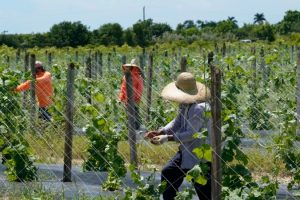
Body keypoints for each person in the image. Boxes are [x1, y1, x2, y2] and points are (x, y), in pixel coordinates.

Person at [144, 72, 211, 200]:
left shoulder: (198, 108)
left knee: (203, 189)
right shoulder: (185, 103)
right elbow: (177, 122)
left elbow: (192, 134)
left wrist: (168, 138)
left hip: (200, 154)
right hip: (186, 150)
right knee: (168, 172)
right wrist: (161, 132)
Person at [119, 59, 144, 130]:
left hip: (134, 99)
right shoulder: (125, 77)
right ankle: (130, 128)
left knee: (135, 112)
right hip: (127, 99)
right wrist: (121, 98)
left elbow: (140, 89)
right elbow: (123, 88)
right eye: (129, 67)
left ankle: (136, 128)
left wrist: (136, 98)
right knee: (129, 113)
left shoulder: (139, 77)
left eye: (131, 67)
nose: (129, 68)